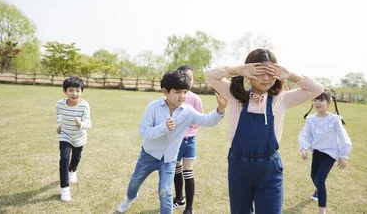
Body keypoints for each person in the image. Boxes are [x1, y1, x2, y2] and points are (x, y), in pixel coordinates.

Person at [204, 48, 324, 214]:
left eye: (271, 72)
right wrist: (237, 70)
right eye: (260, 72)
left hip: (269, 167)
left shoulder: (282, 98)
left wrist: (289, 75)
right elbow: (209, 76)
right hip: (239, 166)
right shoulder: (234, 95)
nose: (266, 78)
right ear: (249, 72)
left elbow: (317, 89)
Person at [117, 70, 227, 214]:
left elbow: (208, 121)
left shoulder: (188, 111)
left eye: (185, 92)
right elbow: (143, 132)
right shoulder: (153, 107)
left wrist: (220, 109)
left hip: (169, 159)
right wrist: (163, 127)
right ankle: (130, 198)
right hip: (148, 155)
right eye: (177, 92)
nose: (182, 96)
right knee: (134, 183)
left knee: (166, 193)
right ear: (165, 91)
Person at [298, 90, 352, 214]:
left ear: (329, 102)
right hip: (317, 152)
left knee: (320, 179)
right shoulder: (311, 119)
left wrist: (343, 155)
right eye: (315, 100)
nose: (317, 103)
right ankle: (318, 190)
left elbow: (344, 137)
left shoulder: (334, 120)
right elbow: (305, 135)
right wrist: (303, 148)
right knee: (313, 176)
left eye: (320, 100)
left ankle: (322, 211)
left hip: (331, 154)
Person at [55, 76, 91, 202]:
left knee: (76, 158)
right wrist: (59, 124)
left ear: (81, 91)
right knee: (64, 159)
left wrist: (81, 124)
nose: (74, 93)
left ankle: (73, 169)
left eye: (77, 90)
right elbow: (58, 113)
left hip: (79, 137)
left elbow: (88, 124)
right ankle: (64, 188)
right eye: (70, 90)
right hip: (65, 135)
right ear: (65, 91)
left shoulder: (84, 106)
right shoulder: (60, 104)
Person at [173, 66, 203, 214]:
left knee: (188, 171)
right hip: (175, 139)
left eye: (190, 78)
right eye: (185, 78)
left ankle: (189, 208)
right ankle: (179, 198)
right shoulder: (174, 96)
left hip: (189, 139)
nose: (188, 81)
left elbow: (199, 120)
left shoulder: (195, 99)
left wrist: (186, 121)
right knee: (175, 169)